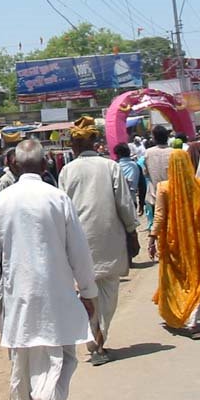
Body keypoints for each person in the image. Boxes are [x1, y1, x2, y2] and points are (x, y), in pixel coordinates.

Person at [0, 139, 97, 400]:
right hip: (57, 295)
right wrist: (87, 291)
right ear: (45, 166)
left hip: (17, 298)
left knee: (24, 363)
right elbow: (79, 250)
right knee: (63, 357)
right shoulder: (58, 198)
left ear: (14, 166)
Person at [58, 116, 138, 366]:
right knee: (108, 294)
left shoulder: (66, 171)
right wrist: (132, 232)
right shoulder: (110, 167)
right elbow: (125, 204)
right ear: (96, 141)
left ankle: (94, 337)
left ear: (74, 145)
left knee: (86, 293)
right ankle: (97, 340)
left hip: (78, 244)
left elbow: (62, 210)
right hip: (109, 241)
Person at [151, 151, 200, 339]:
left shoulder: (163, 188)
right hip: (195, 243)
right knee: (195, 279)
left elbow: (160, 216)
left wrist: (152, 237)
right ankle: (193, 321)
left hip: (172, 242)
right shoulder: (198, 187)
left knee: (176, 280)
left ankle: (178, 314)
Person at [143, 125, 174, 233]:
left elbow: (146, 173)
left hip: (156, 194)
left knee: (160, 224)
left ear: (154, 138)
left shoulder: (148, 153)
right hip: (174, 193)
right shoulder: (174, 152)